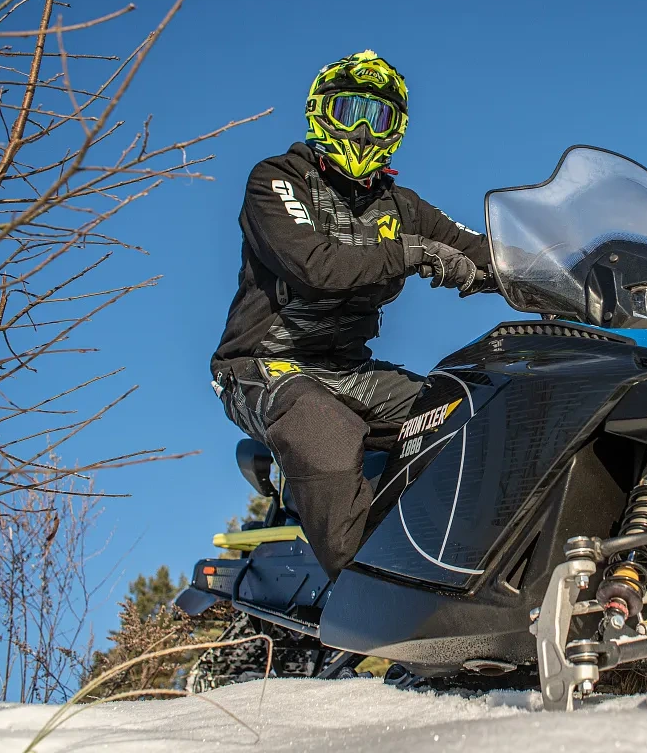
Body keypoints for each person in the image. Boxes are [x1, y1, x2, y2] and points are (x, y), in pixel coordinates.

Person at [210, 50, 492, 578]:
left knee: (471, 406)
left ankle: (463, 558)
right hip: (263, 367)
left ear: (396, 128)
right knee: (324, 426)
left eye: (377, 116)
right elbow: (315, 267)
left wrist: (564, 275)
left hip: (348, 371)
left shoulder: (402, 206)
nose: (362, 130)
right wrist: (414, 253)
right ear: (321, 112)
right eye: (349, 111)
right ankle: (359, 588)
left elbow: (482, 251)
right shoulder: (277, 180)